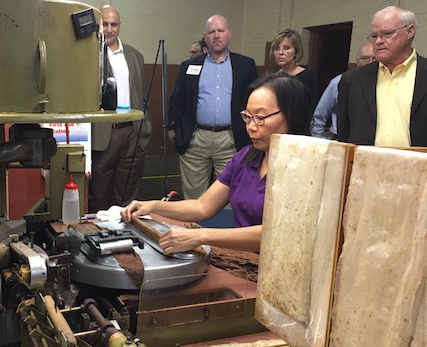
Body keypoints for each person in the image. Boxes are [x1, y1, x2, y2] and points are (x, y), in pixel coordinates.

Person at [123, 72, 312, 253]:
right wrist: (153, 206)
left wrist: (201, 235)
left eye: (261, 118)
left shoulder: (307, 169)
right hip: (243, 257)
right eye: (247, 116)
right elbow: (203, 206)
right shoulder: (246, 157)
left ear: (292, 115)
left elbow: (277, 232)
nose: (251, 127)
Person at [167, 14, 258, 200]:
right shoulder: (189, 66)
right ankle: (193, 229)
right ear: (205, 37)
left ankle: (222, 230)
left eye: (220, 31)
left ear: (229, 34)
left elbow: (254, 101)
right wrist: (173, 128)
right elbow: (177, 99)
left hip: (231, 139)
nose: (216, 36)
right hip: (195, 139)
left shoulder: (245, 65)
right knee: (193, 197)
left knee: (229, 195)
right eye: (211, 32)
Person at [89, 6, 151, 212]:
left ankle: (125, 236)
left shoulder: (135, 56)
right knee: (99, 194)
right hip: (104, 133)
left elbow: (140, 95)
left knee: (127, 194)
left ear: (119, 26)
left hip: (132, 133)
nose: (109, 29)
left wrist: (144, 129)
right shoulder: (89, 54)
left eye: (113, 24)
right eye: (104, 24)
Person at [337, 6, 427, 147]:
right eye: (374, 36)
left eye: (387, 33)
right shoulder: (351, 80)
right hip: (366, 165)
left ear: (409, 31)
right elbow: (344, 135)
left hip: (420, 165)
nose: (378, 41)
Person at [311, 43, 375, 139]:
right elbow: (320, 114)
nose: (370, 62)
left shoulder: (385, 84)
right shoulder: (338, 82)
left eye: (374, 58)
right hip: (340, 138)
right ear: (357, 60)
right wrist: (317, 140)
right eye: (365, 58)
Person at [271, 29, 318, 109]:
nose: (280, 52)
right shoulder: (272, 78)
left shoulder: (308, 76)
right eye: (277, 48)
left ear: (296, 51)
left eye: (286, 48)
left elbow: (312, 107)